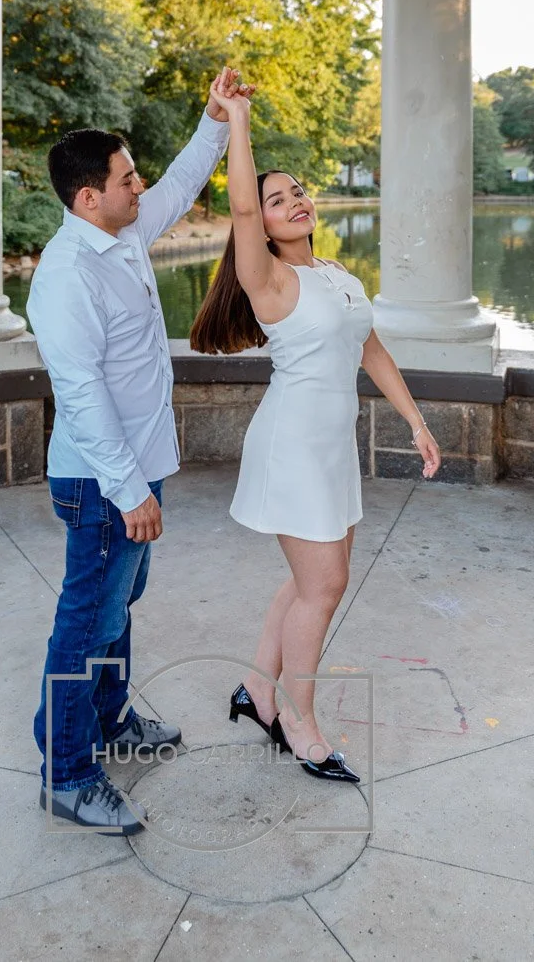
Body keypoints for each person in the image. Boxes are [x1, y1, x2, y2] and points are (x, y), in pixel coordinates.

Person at [190, 75, 441, 782]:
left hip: (331, 449)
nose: (294, 201)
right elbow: (239, 204)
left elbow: (370, 348)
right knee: (325, 585)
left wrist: (414, 421)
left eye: (299, 191)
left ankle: (258, 688)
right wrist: (236, 119)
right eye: (278, 199)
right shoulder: (267, 280)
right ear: (262, 224)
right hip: (291, 447)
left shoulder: (335, 274)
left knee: (309, 581)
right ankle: (298, 721)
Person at [27, 68, 250, 834]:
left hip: (135, 470)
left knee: (119, 608)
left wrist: (216, 119)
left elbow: (185, 181)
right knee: (86, 622)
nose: (140, 184)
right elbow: (81, 398)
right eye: (127, 178)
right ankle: (67, 771)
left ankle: (112, 721)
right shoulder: (66, 276)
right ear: (90, 197)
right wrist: (128, 492)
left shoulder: (121, 234)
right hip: (99, 481)